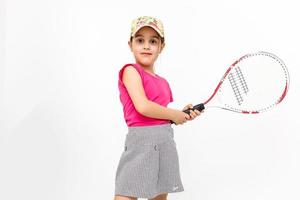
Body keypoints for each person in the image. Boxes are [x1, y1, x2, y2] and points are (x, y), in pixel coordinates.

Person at [114, 16, 203, 200]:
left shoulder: (163, 82)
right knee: (126, 193)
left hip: (165, 144)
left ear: (161, 47)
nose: (146, 46)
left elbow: (160, 115)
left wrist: (181, 115)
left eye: (153, 41)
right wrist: (175, 114)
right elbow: (144, 107)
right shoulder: (131, 71)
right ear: (130, 44)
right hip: (140, 145)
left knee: (159, 197)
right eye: (140, 40)